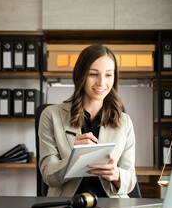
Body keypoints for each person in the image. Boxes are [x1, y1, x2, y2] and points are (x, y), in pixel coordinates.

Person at [38, 44, 136, 198]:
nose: (101, 83)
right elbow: (48, 176)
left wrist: (117, 175)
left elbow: (130, 179)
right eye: (93, 74)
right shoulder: (51, 115)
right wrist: (73, 159)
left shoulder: (125, 122)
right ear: (81, 75)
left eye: (108, 75)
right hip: (66, 206)